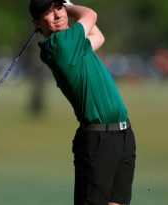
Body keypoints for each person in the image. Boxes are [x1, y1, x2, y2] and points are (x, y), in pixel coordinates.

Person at [29, 0, 136, 204]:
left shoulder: (74, 45)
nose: (58, 15)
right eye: (49, 13)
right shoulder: (59, 45)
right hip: (97, 140)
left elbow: (98, 36)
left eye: (58, 8)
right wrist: (69, 5)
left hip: (122, 135)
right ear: (36, 23)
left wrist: (66, 7)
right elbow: (91, 15)